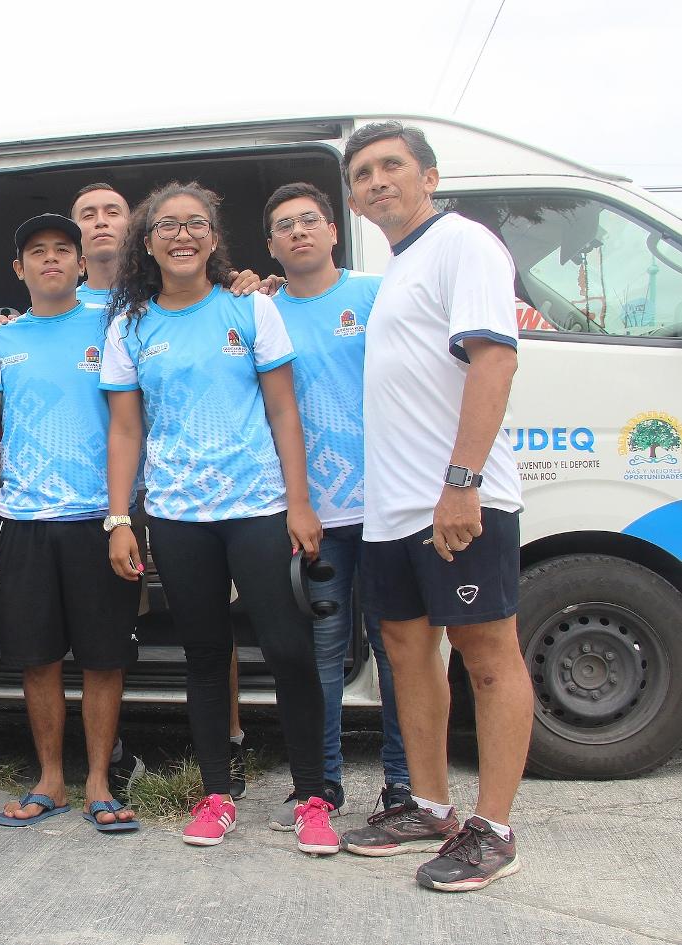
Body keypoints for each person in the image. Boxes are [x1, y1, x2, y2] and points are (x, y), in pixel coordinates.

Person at [100, 181, 337, 856]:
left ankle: (314, 797)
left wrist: (298, 501)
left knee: (290, 651)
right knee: (204, 656)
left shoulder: (250, 310)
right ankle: (215, 794)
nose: (182, 235)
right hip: (176, 514)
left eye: (195, 224)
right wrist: (120, 518)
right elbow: (124, 431)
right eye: (167, 226)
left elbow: (283, 410)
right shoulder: (130, 326)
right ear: (146, 243)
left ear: (212, 237)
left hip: (259, 507)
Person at [337, 122, 531, 892]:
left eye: (391, 166)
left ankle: (493, 829)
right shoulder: (399, 269)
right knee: (406, 654)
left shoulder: (463, 243)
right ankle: (427, 804)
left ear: (429, 176)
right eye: (362, 173)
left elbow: (496, 357)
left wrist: (461, 480)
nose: (377, 181)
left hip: (454, 499)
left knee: (486, 656)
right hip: (393, 509)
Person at [72, 182, 256, 799]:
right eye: (88, 216)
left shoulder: (201, 298)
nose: (102, 223)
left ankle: (227, 738)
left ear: (137, 227)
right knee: (115, 626)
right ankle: (115, 751)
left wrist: (251, 289)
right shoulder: (57, 305)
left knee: (210, 622)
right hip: (104, 494)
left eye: (113, 212)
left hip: (183, 488)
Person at [259, 182, 411, 830]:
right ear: (270, 245)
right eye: (283, 225)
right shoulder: (264, 313)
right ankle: (320, 783)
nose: (297, 232)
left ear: (330, 231)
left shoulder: (375, 295)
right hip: (311, 516)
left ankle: (404, 784)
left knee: (397, 651)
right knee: (320, 655)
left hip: (386, 510)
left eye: (308, 220)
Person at [0, 215, 141, 833]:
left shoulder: (113, 327)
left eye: (62, 251)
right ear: (18, 269)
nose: (50, 260)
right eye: (36, 252)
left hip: (99, 519)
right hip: (24, 520)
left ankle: (100, 783)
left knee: (105, 659)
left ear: (82, 265)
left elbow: (130, 422)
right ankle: (50, 778)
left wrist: (121, 516)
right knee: (37, 658)